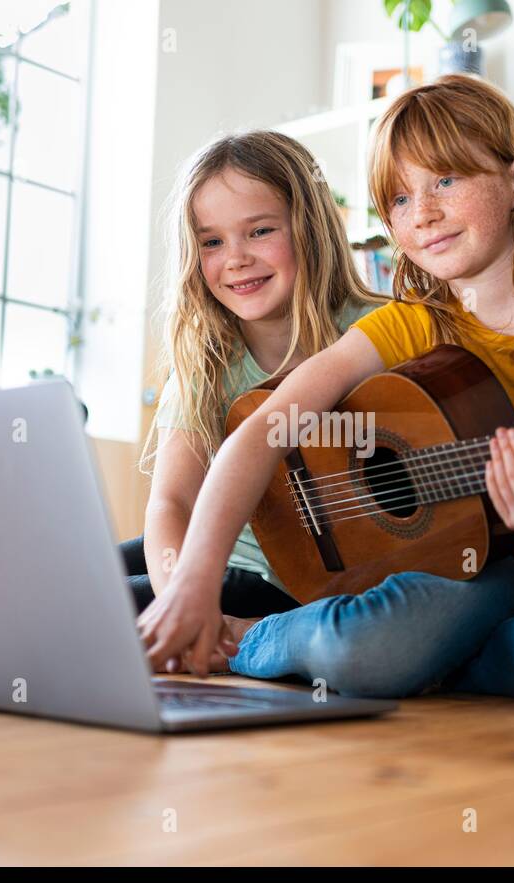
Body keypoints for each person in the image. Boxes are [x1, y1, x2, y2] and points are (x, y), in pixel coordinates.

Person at [139, 74, 514, 704]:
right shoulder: (409, 326)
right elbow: (265, 429)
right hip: (476, 570)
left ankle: (433, 659)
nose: (423, 213)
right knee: (358, 645)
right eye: (399, 200)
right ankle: (281, 641)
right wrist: (193, 584)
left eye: (446, 181)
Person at [125, 130, 385, 673]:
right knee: (52, 583)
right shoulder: (206, 358)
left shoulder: (376, 334)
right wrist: (182, 601)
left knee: (101, 610)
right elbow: (171, 503)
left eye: (260, 231)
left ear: (310, 230)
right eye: (212, 242)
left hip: (283, 580)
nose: (236, 260)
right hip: (208, 565)